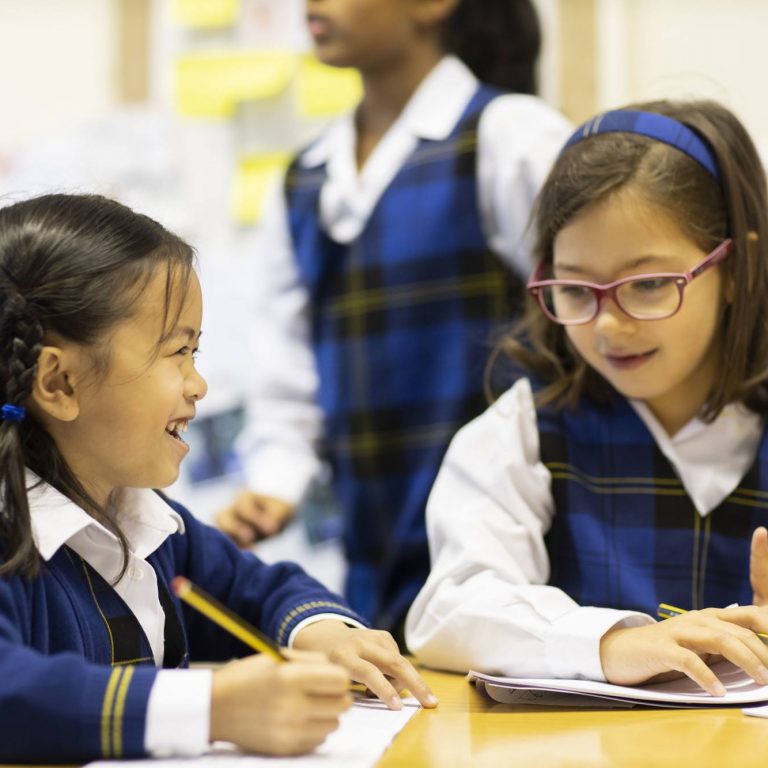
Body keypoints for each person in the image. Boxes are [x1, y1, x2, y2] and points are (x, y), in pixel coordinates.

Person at [0, 193, 436, 764]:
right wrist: (210, 708)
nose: (197, 385)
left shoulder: (147, 521)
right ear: (59, 384)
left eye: (196, 353)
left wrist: (324, 635)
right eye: (178, 352)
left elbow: (263, 590)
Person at [215, 0, 571, 643]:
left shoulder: (508, 134)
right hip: (372, 545)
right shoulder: (305, 179)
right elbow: (287, 367)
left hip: (510, 545)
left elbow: (582, 312)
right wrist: (275, 479)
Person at [404, 100, 768, 696]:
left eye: (648, 285)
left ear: (736, 267)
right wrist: (606, 642)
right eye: (576, 289)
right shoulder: (524, 430)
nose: (608, 326)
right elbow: (448, 609)